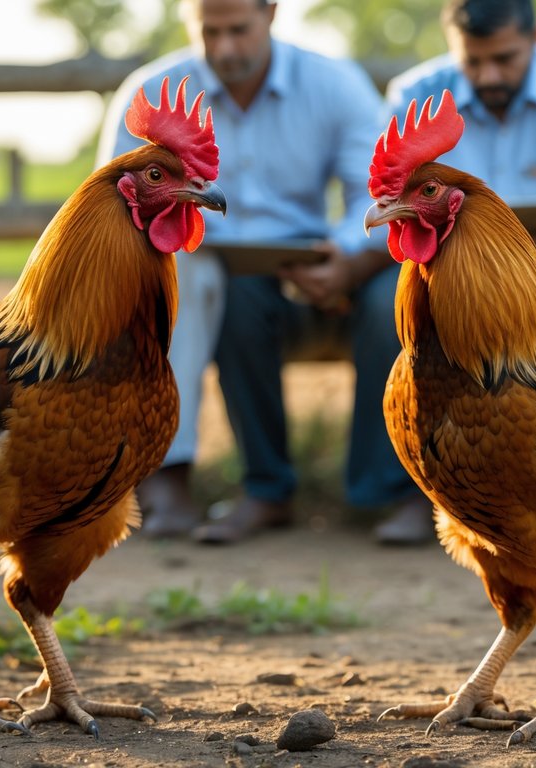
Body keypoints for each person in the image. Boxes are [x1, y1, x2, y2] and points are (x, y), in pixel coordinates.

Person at [98, 0, 433, 546]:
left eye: (238, 29)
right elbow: (112, 204)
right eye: (210, 32)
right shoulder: (153, 91)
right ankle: (254, 487)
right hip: (217, 277)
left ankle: (393, 487)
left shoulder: (334, 84)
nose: (225, 47)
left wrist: (346, 258)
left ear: (271, 13)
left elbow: (376, 194)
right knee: (217, 284)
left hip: (323, 267)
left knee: (386, 299)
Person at [382, 0, 536, 325]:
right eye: (471, 61)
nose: (488, 76)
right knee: (382, 303)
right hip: (451, 269)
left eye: (504, 58)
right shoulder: (414, 94)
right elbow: (389, 199)